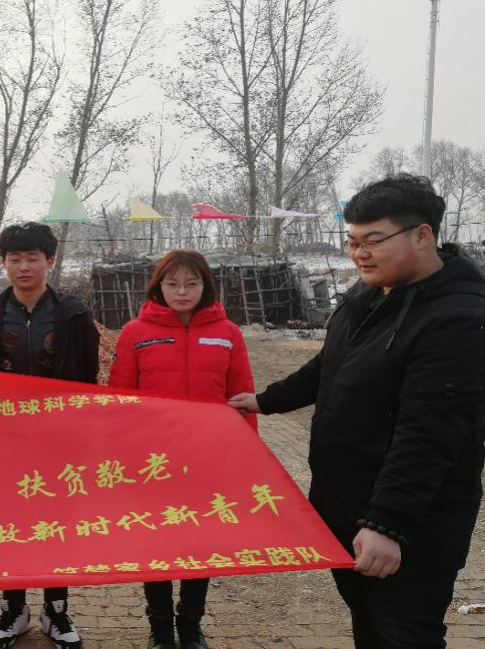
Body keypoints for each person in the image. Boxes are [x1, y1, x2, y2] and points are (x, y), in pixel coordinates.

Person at [229, 174, 485, 648]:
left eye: (373, 240)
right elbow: (329, 364)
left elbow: (428, 433)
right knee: (367, 623)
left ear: (422, 235)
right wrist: (267, 400)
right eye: (352, 241)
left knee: (405, 632)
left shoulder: (458, 319)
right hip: (344, 503)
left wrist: (387, 524)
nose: (359, 253)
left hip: (414, 523)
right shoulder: (368, 294)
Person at [109, 250, 256, 649]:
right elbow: (119, 402)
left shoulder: (227, 333)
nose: (182, 291)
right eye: (172, 284)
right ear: (159, 287)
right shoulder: (135, 332)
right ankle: (160, 628)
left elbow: (242, 397)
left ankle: (190, 625)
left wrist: (247, 455)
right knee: (155, 543)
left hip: (208, 459)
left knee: (200, 543)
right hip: (153, 462)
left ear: (205, 286)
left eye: (191, 283)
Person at [0, 222, 100, 649]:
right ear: (3, 263)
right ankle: (13, 609)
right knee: (9, 523)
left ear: (50, 262)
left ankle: (56, 611)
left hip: (59, 441)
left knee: (56, 523)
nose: (23, 266)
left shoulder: (74, 314)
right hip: (6, 442)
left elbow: (87, 378)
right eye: (15, 259)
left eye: (33, 258)